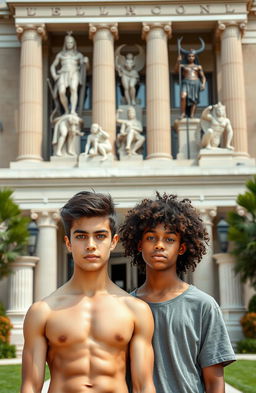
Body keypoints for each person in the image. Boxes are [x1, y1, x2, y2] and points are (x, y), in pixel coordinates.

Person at [21, 191, 155, 393]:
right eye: (81, 236)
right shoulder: (42, 312)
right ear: (68, 243)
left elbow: (143, 387)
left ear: (113, 241)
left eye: (100, 236)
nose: (91, 245)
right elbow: (30, 386)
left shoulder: (136, 310)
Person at [119, 193, 236, 393]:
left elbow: (214, 382)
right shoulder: (124, 307)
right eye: (151, 237)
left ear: (182, 248)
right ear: (139, 245)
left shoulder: (203, 305)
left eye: (169, 239)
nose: (159, 245)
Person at [50, 33, 89, 115]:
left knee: (73, 89)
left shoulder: (78, 55)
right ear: (65, 43)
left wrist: (87, 62)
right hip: (63, 74)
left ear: (74, 43)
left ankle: (73, 110)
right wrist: (54, 76)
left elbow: (86, 68)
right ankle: (67, 109)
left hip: (74, 73)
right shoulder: (60, 55)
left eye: (71, 42)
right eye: (68, 42)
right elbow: (53, 66)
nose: (69, 44)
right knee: (61, 92)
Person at [175, 43, 206, 119]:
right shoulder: (183, 65)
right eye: (189, 56)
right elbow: (176, 71)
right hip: (186, 82)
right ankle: (183, 113)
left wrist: (203, 84)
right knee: (183, 96)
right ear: (187, 57)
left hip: (195, 82)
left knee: (194, 100)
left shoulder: (198, 67)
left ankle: (192, 115)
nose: (191, 57)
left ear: (195, 57)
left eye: (192, 56)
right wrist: (178, 61)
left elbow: (203, 77)